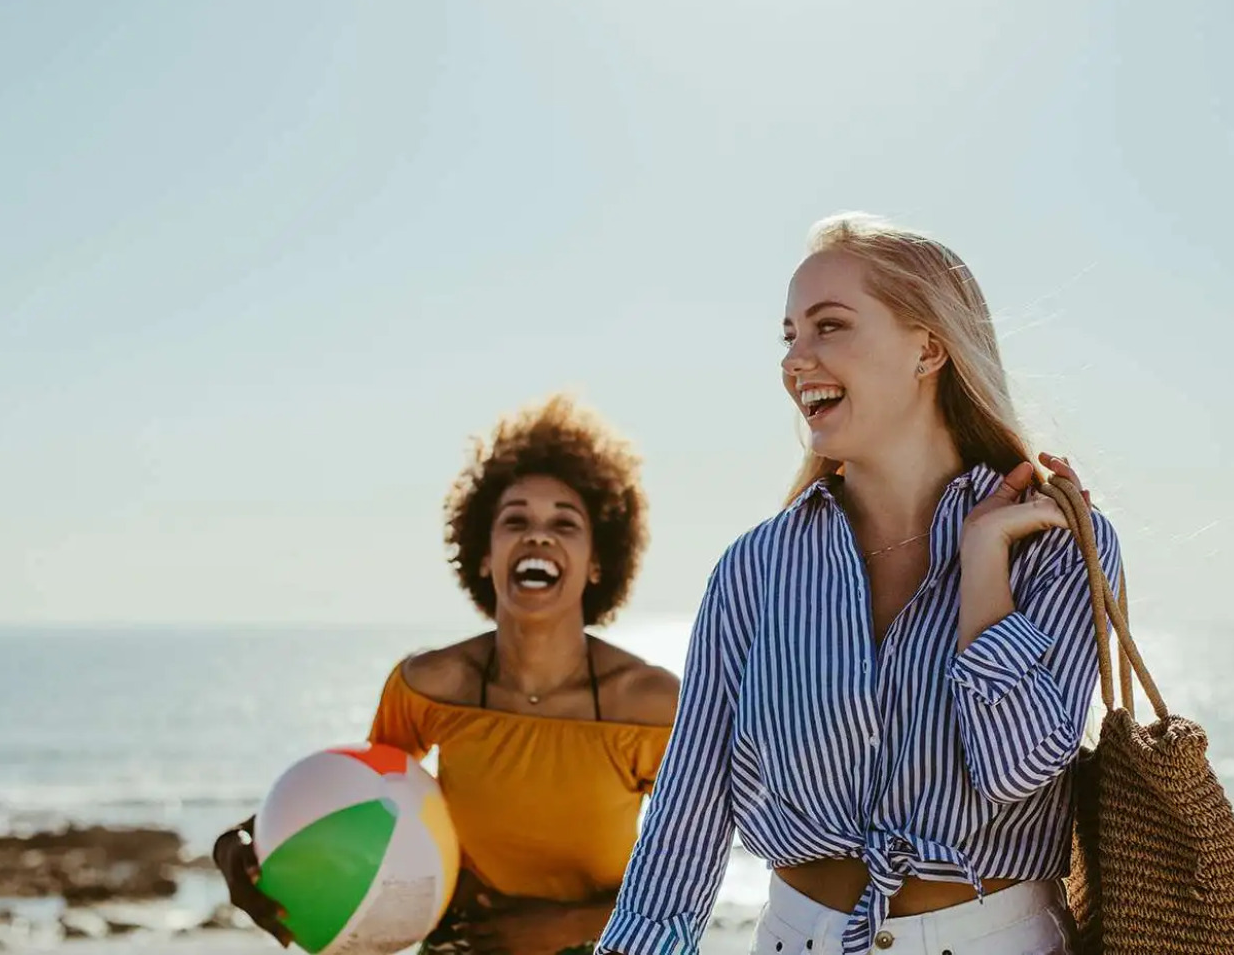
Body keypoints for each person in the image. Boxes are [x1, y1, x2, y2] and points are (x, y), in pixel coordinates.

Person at [597, 214, 1117, 955]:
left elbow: (1019, 769)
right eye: (788, 336)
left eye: (829, 327)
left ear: (928, 347)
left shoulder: (1054, 544)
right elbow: (689, 808)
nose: (795, 361)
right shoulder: (757, 567)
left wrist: (982, 570)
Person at [213, 395, 681, 955]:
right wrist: (247, 840)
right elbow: (358, 804)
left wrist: (560, 926)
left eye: (565, 522)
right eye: (515, 521)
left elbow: (690, 874)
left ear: (598, 561)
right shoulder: (428, 685)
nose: (539, 537)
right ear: (484, 554)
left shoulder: (652, 705)